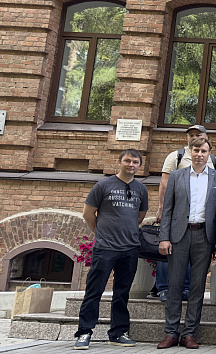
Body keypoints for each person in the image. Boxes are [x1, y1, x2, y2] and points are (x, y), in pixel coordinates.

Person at [73, 149, 149, 350]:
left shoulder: (141, 189)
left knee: (122, 293)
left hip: (130, 248)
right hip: (105, 248)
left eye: (135, 162)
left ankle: (117, 333)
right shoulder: (103, 185)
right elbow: (88, 214)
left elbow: (139, 216)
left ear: (139, 165)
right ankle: (84, 332)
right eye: (127, 161)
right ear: (120, 162)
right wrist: (101, 233)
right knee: (94, 291)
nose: (131, 165)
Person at [157, 138, 216, 349]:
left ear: (209, 154)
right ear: (190, 151)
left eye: (204, 151)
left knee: (197, 288)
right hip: (179, 236)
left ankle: (189, 333)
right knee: (175, 285)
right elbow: (167, 209)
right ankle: (171, 332)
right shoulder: (177, 176)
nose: (199, 154)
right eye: (196, 150)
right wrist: (164, 237)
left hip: (203, 237)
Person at [154, 125, 214, 301]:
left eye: (198, 135)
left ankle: (186, 289)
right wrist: (161, 207)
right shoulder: (176, 156)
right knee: (169, 252)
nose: (194, 137)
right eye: (191, 135)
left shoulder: (213, 160)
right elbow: (165, 183)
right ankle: (164, 288)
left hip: (200, 220)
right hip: (177, 215)